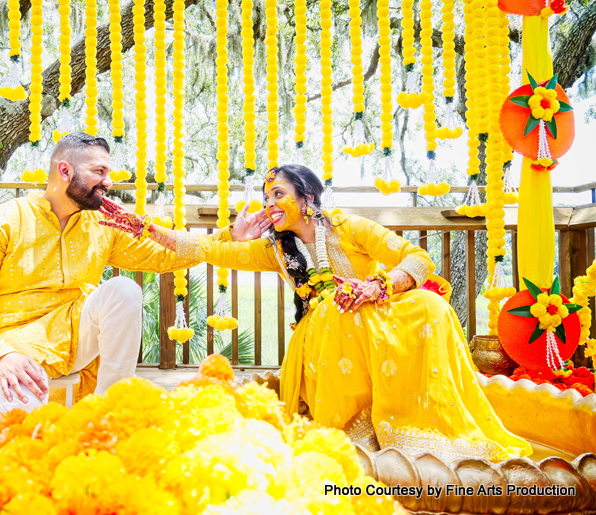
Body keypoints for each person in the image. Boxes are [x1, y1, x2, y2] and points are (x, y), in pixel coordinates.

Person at [99, 164, 532, 461]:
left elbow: (417, 257)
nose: (270, 204)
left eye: (278, 194)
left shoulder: (349, 227)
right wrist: (145, 227)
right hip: (323, 332)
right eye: (267, 196)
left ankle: (415, 425)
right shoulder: (274, 250)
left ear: (307, 198)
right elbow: (209, 248)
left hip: (374, 311)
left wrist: (376, 286)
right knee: (333, 312)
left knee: (430, 304)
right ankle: (357, 431)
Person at [0, 133, 262, 455]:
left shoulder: (103, 225)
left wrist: (228, 238)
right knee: (17, 418)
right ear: (65, 171)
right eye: (100, 172)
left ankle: (105, 415)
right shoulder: (3, 220)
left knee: (123, 290)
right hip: (17, 345)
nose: (109, 182)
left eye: (108, 173)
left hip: (74, 334)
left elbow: (160, 255)